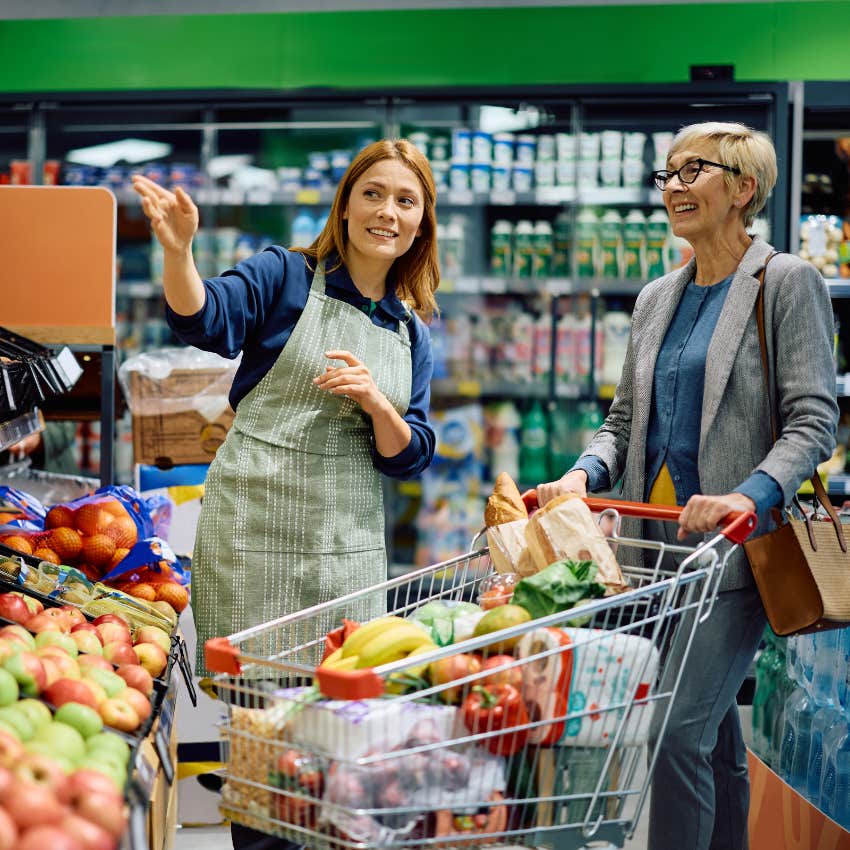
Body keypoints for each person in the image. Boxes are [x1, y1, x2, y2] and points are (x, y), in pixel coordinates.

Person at [536, 122, 837, 850]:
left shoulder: (785, 281)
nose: (672, 187)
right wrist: (582, 473)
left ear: (743, 188)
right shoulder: (655, 298)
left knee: (673, 740)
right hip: (655, 560)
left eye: (691, 170)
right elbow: (623, 421)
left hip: (737, 560)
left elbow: (813, 421)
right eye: (666, 174)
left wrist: (749, 494)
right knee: (713, 745)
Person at [134, 139, 439, 848]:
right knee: (264, 748)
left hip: (346, 549)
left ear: (421, 224)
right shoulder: (285, 276)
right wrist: (179, 251)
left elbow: (410, 455)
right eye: (372, 193)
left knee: (335, 754)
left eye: (405, 201)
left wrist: (377, 405)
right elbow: (205, 318)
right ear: (346, 201)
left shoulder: (409, 330)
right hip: (255, 537)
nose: (385, 212)